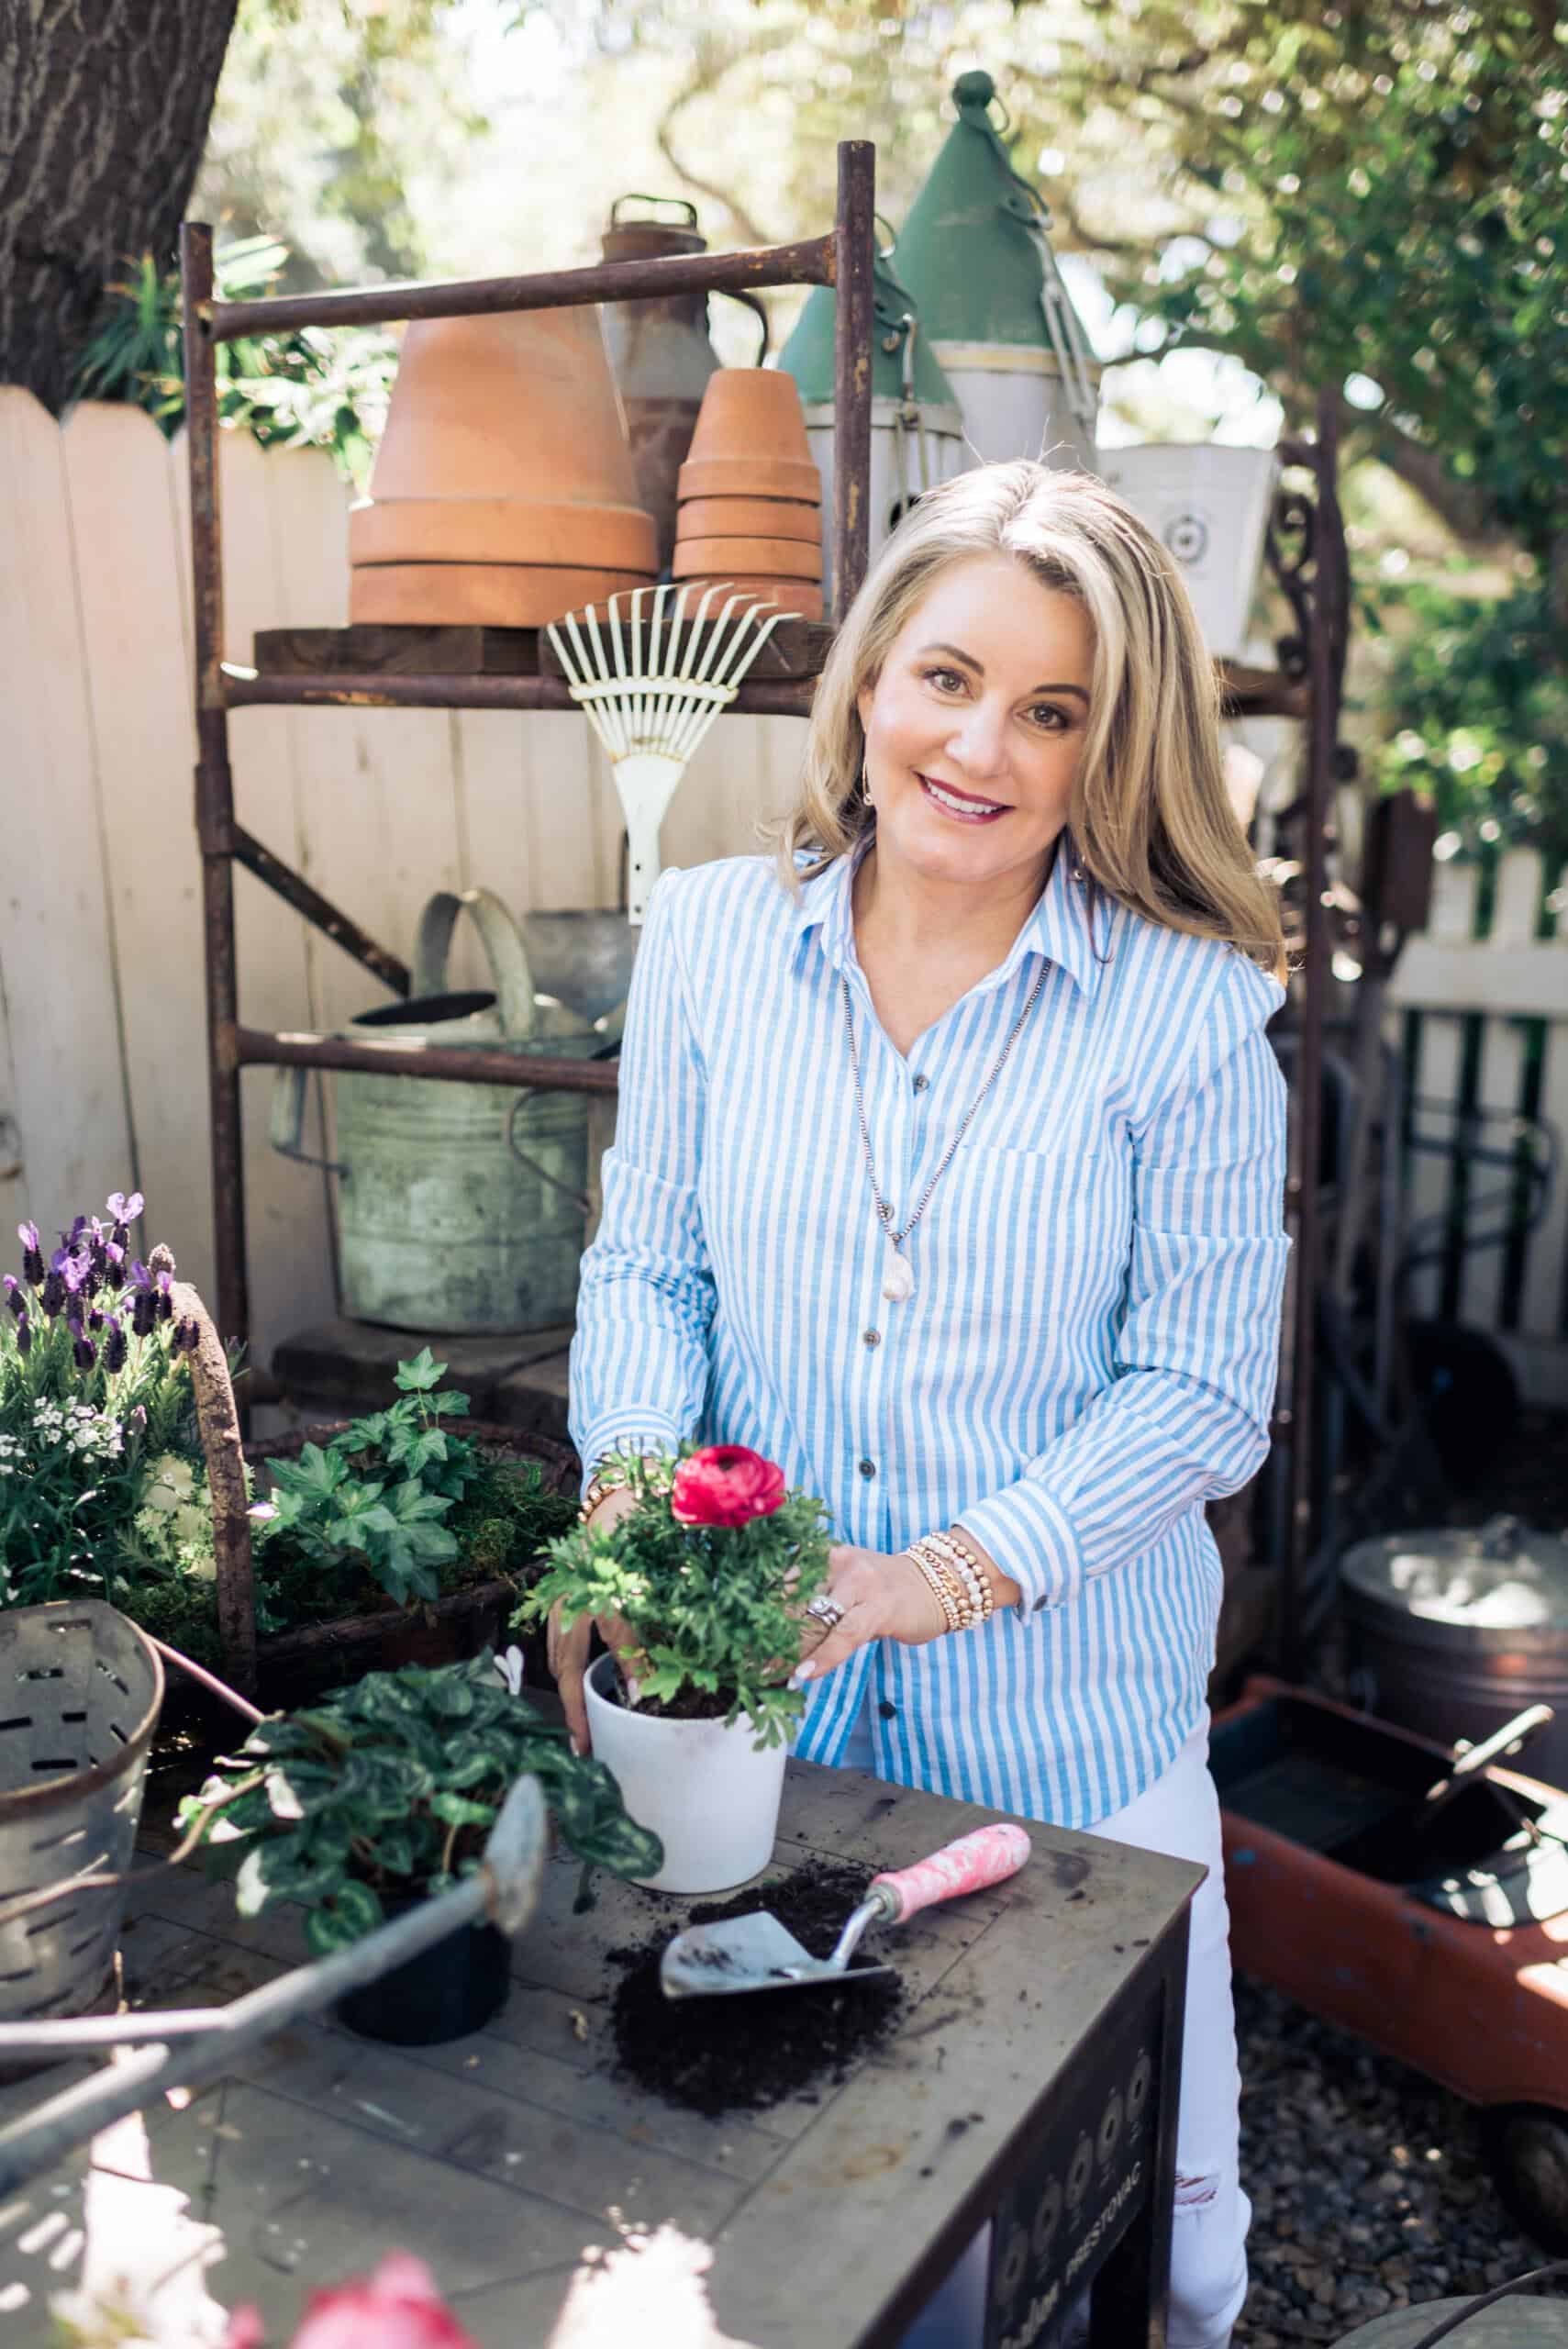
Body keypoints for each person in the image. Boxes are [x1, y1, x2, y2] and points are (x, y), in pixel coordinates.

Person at [552, 460, 1290, 2349]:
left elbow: (1202, 1391)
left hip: (1070, 1765)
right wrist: (633, 1483)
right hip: (755, 1741)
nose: (984, 744)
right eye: (947, 676)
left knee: (1161, 2251)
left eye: (1054, 711)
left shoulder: (1186, 1018)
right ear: (869, 675)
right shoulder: (714, 938)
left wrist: (941, 1572)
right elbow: (654, 1269)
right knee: (810, 2244)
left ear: (1106, 753)